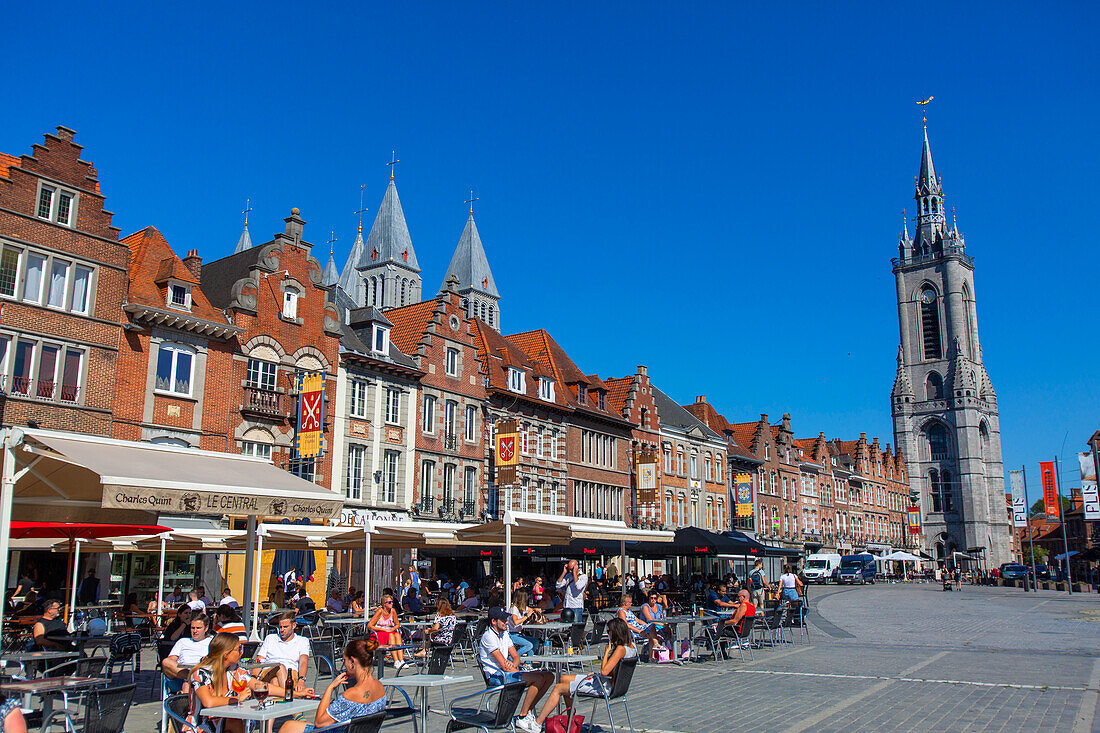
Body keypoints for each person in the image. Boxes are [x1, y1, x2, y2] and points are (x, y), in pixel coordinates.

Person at [189, 632, 309, 733]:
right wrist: (237, 699)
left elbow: (260, 686)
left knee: (237, 719)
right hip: (201, 727)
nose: (242, 653)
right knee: (235, 719)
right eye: (238, 649)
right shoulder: (201, 673)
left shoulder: (234, 671)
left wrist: (295, 694)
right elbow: (208, 702)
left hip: (227, 722)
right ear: (226, 654)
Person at [533, 617, 637, 729]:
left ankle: (538, 723)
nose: (608, 634)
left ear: (615, 633)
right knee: (564, 679)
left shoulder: (620, 649)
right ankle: (571, 721)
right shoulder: (632, 647)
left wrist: (606, 652)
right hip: (615, 685)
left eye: (609, 631)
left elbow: (604, 671)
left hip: (605, 686)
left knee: (558, 688)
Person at [278, 638, 386, 733]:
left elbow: (320, 723)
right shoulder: (380, 687)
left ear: (352, 661)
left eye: (344, 661)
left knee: (287, 727)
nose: (344, 665)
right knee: (291, 725)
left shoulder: (352, 694)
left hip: (341, 730)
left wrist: (330, 688)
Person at [479, 607, 553, 733]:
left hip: (507, 671)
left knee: (549, 676)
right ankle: (523, 716)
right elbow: (503, 665)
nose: (507, 622)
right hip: (496, 676)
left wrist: (513, 665)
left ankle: (528, 711)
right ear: (493, 621)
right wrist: (516, 670)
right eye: (503, 620)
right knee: (538, 679)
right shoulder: (488, 637)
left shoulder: (505, 634)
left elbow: (516, 657)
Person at [254, 611, 312, 691]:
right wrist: (253, 678)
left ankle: (283, 697)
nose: (282, 630)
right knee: (280, 667)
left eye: (285, 627)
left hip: (291, 674)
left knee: (275, 682)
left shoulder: (302, 641)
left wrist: (301, 680)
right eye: (280, 627)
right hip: (269, 671)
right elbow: (259, 660)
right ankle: (290, 695)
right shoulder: (270, 638)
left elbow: (303, 662)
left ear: (293, 625)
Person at [164, 613, 212, 694]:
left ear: (206, 628)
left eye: (198, 628)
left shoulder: (211, 642)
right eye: (193, 628)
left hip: (202, 676)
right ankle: (191, 676)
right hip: (181, 674)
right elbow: (171, 660)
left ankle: (192, 679)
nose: (195, 631)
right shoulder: (183, 641)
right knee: (166, 662)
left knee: (187, 684)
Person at [367, 593, 406, 670]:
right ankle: (396, 660)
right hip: (379, 632)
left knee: (397, 635)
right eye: (389, 602)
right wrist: (384, 629)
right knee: (391, 635)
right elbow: (370, 625)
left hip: (389, 630)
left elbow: (397, 624)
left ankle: (401, 660)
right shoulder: (380, 611)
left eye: (392, 602)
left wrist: (392, 629)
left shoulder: (393, 611)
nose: (391, 603)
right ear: (384, 604)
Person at [616, 594, 659, 659]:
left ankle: (652, 655)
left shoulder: (628, 611)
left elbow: (637, 620)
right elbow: (625, 624)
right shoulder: (621, 611)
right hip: (631, 631)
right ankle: (655, 646)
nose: (631, 604)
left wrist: (646, 625)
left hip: (637, 628)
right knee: (652, 633)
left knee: (651, 627)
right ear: (625, 603)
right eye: (630, 602)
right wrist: (639, 631)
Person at [507, 591, 542, 657]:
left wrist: (536, 610)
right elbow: (516, 622)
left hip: (518, 634)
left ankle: (528, 662)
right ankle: (513, 659)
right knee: (529, 645)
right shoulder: (514, 609)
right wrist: (526, 616)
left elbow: (531, 609)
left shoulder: (522, 608)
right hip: (511, 634)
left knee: (535, 641)